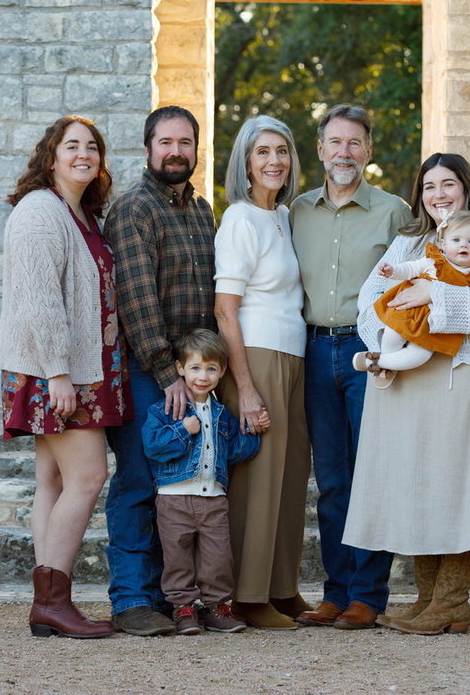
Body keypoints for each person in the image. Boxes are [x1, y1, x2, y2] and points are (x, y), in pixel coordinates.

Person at [343, 151, 470, 635]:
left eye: (448, 185)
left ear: (465, 188)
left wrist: (431, 295)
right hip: (415, 377)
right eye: (429, 186)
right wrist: (389, 340)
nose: (438, 195)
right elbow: (368, 297)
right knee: (418, 480)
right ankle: (425, 599)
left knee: (461, 480)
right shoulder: (408, 242)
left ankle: (452, 601)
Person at [0, 115, 125, 639]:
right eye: (71, 146)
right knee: (88, 477)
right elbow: (39, 301)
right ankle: (54, 599)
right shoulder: (39, 212)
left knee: (50, 480)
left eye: (92, 147)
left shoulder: (83, 215)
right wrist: (59, 374)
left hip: (75, 370)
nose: (83, 155)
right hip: (59, 372)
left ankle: (47, 602)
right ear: (50, 157)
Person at [289, 105, 411, 630]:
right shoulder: (295, 210)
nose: (345, 152)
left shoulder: (395, 212)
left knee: (372, 474)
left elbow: (419, 281)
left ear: (368, 150)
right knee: (333, 480)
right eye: (335, 142)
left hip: (372, 352)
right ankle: (335, 593)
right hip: (314, 351)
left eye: (355, 143)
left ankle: (368, 594)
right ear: (320, 149)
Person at [103, 105, 217, 637]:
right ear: (148, 149)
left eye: (185, 142)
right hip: (150, 371)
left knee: (182, 486)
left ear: (196, 149)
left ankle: (180, 600)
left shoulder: (201, 211)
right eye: (166, 142)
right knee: (137, 482)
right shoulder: (134, 209)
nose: (176, 151)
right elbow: (135, 296)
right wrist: (167, 373)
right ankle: (132, 600)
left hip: (193, 373)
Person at [212, 114, 311, 629]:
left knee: (291, 477)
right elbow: (226, 309)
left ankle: (282, 587)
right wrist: (245, 388)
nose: (274, 161)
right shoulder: (240, 219)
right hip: (257, 357)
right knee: (258, 480)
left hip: (295, 355)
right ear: (245, 163)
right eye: (262, 153)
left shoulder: (286, 216)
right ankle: (247, 596)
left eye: (282, 151)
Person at [142, 330, 260, 635]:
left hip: (213, 498)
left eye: (211, 369)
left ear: (222, 372)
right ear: (180, 369)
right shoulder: (165, 410)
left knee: (219, 557)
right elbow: (153, 447)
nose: (203, 376)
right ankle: (182, 608)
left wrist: (253, 429)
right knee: (177, 558)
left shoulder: (223, 414)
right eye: (195, 368)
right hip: (174, 498)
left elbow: (235, 451)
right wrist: (184, 429)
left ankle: (217, 608)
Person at [353, 210, 470, 389]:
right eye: (456, 240)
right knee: (392, 335)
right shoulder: (434, 260)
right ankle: (386, 362)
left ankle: (378, 363)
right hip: (409, 312)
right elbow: (410, 269)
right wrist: (392, 271)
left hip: (435, 325)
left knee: (421, 355)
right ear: (443, 243)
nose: (463, 245)